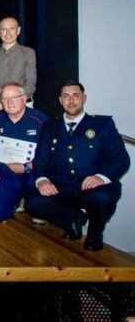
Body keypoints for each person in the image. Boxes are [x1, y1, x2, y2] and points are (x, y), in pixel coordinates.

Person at [26, 81, 130, 251]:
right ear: (60, 100)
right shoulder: (50, 127)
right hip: (63, 186)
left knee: (101, 198)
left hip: (92, 187)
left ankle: (95, 235)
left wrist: (100, 177)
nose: (71, 101)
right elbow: (41, 160)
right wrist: (42, 179)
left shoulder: (102, 125)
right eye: (66, 96)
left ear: (84, 98)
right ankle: (72, 220)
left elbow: (121, 160)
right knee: (33, 203)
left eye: (76, 95)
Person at [0, 82, 48, 222]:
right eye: (5, 99)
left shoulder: (41, 120)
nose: (9, 102)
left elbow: (48, 153)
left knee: (37, 206)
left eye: (14, 97)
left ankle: (32, 202)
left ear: (24, 98)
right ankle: (14, 199)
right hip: (7, 172)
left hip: (33, 172)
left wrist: (28, 166)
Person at [0, 17, 37, 110]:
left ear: (18, 30)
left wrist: (16, 101)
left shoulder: (28, 53)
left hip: (22, 104)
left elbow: (30, 82)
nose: (8, 33)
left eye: (12, 28)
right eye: (4, 29)